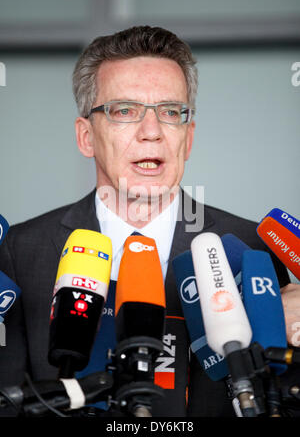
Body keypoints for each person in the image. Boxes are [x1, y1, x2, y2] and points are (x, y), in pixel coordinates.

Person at [0, 25, 298, 417]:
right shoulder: (22, 252)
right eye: (125, 111)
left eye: (171, 112)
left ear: (187, 138)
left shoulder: (254, 249)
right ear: (86, 136)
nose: (152, 132)